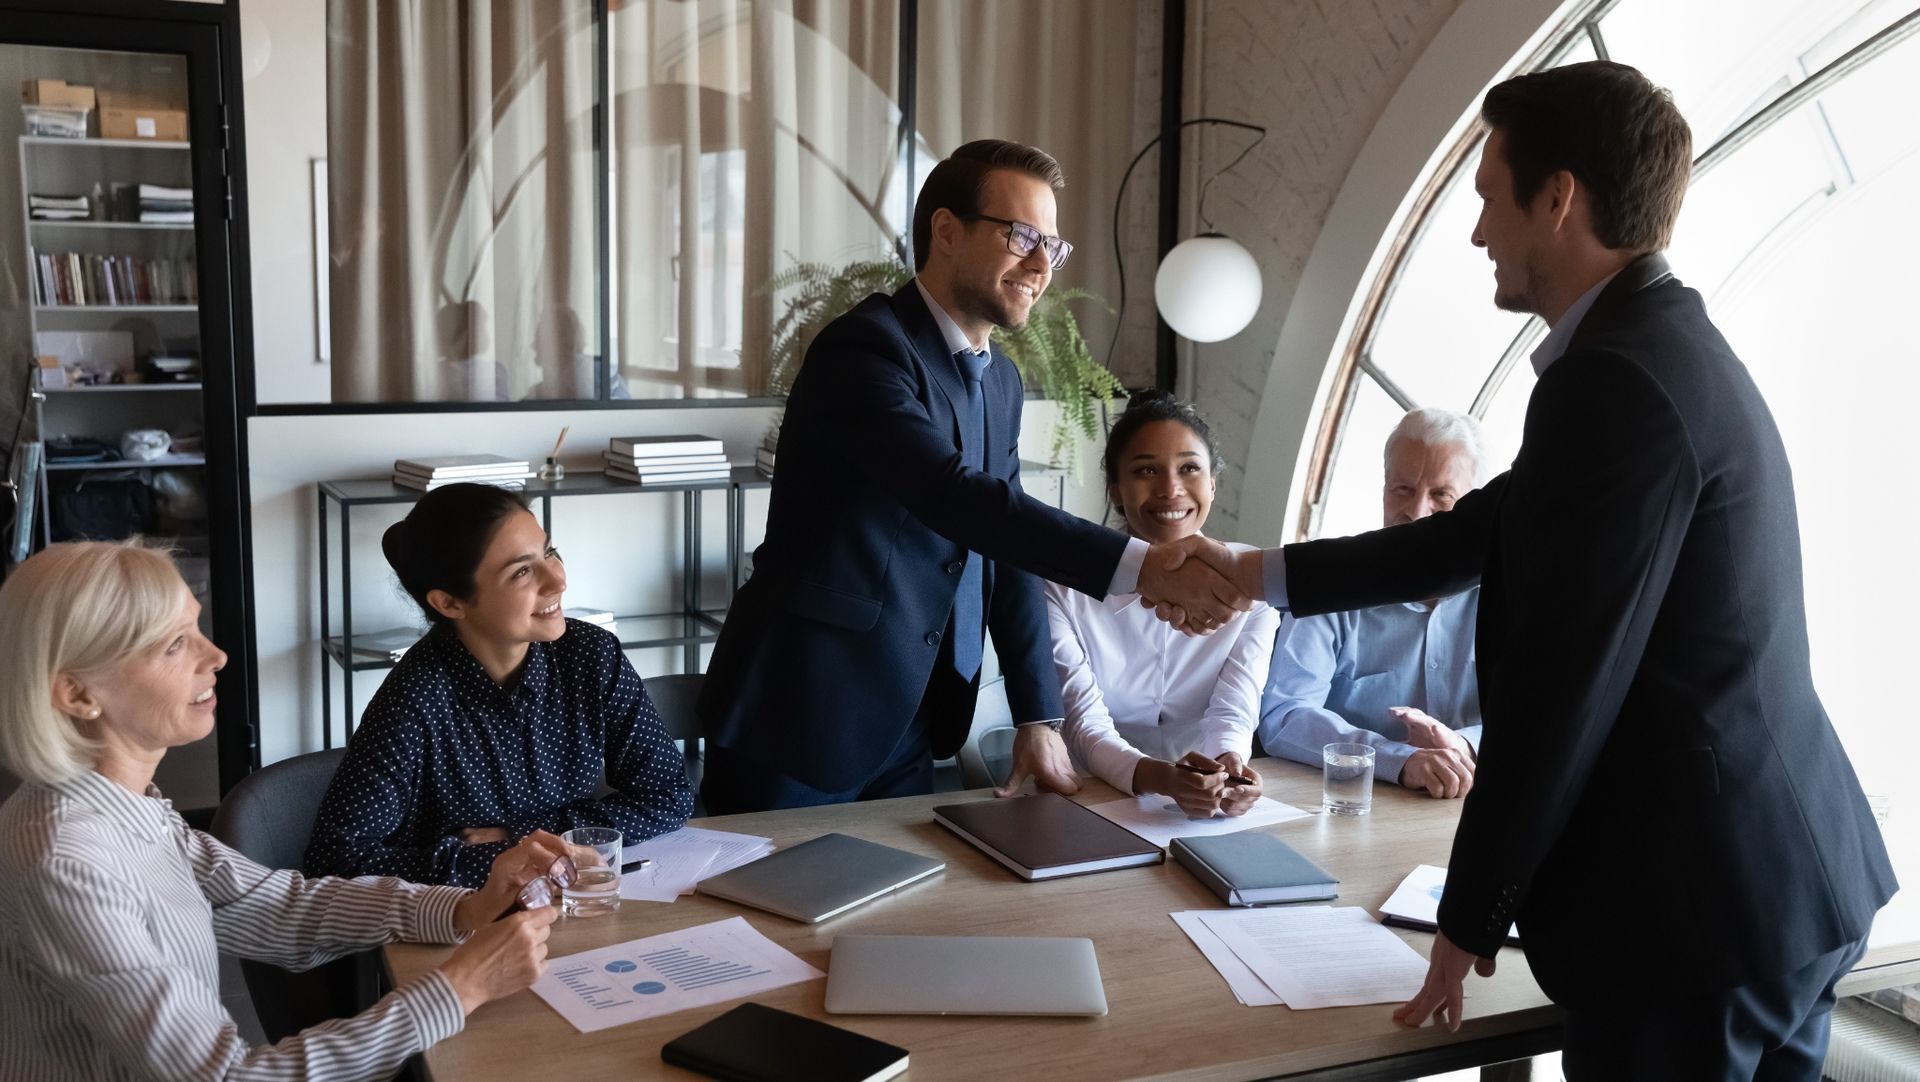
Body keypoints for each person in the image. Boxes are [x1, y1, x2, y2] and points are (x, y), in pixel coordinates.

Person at [1178, 62, 1895, 1077]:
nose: (1477, 232)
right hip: (1762, 886)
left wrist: (1466, 922)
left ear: (1557, 197)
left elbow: (1565, 682)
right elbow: (1475, 534)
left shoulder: (1618, 381)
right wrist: (1254, 572)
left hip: (1696, 916)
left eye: (1486, 197)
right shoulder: (1651, 349)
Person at [697, 139, 1249, 813]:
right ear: (947, 231)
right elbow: (954, 496)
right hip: (802, 715)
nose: (1042, 264)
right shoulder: (865, 348)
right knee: (767, 915)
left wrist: (1037, 716)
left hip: (913, 722)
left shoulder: (1002, 383)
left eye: (1053, 245)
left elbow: (1005, 546)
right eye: (1022, 237)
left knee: (887, 919)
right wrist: (1146, 565)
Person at [0, 540, 562, 1078]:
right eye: (173, 644)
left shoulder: (125, 808)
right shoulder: (67, 860)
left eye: (196, 627)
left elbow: (281, 908)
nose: (216, 656)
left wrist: (467, 908)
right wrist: (461, 988)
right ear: (77, 694)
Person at [306, 483, 693, 888]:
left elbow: (667, 794)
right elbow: (334, 862)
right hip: (456, 925)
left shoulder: (589, 654)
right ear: (450, 603)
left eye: (549, 552)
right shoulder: (415, 699)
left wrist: (522, 836)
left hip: (572, 904)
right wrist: (496, 862)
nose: (557, 580)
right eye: (522, 571)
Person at [1045, 392, 1279, 815]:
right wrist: (1160, 778)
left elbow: (1234, 707)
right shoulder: (1061, 587)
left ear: (1212, 483)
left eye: (1189, 468)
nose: (1170, 489)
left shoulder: (1251, 586)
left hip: (1204, 801)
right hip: (1083, 792)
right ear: (1115, 489)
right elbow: (1083, 724)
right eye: (1146, 470)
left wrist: (1231, 764)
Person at [1259, 408, 1485, 799]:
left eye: (1441, 495)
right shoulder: (1331, 582)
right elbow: (1284, 715)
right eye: (1403, 490)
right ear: (1383, 488)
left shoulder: (1512, 593)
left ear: (1474, 506)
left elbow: (1544, 713)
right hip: (1350, 807)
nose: (1417, 513)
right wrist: (1399, 760)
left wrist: (1463, 746)